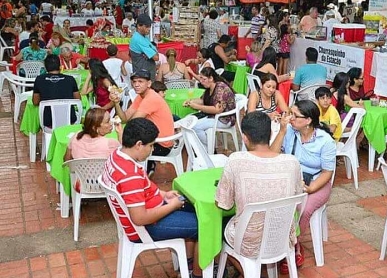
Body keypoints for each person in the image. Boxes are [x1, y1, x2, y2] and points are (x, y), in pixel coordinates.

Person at [101, 118, 203, 278]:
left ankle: (189, 261)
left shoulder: (117, 156)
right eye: (151, 145)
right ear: (139, 144)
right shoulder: (129, 175)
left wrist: (164, 194)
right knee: (206, 224)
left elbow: (144, 188)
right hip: (145, 228)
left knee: (195, 207)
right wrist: (172, 205)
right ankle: (199, 273)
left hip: (149, 212)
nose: (152, 149)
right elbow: (140, 218)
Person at [215, 111, 303, 271]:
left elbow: (223, 205)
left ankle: (244, 271)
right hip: (281, 237)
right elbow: (297, 197)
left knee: (216, 228)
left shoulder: (235, 161)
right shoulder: (292, 163)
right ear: (270, 134)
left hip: (247, 242)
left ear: (244, 137)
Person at [270, 100, 336, 273]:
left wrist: (311, 188)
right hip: (291, 179)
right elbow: (272, 155)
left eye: (294, 115)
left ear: (308, 120)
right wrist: (282, 131)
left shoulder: (325, 141)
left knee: (302, 208)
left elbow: (327, 172)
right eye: (289, 113)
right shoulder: (291, 131)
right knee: (274, 200)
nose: (290, 118)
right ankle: (277, 240)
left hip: (316, 182)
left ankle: (294, 245)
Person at [110, 69, 175, 176]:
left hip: (162, 145)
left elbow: (133, 123)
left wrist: (121, 134)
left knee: (125, 146)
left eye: (140, 82)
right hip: (155, 139)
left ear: (149, 83)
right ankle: (147, 167)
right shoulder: (141, 96)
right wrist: (116, 103)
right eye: (134, 82)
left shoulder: (151, 98)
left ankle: (131, 176)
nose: (136, 85)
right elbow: (125, 118)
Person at [184, 67, 236, 148]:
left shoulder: (220, 88)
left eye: (203, 79)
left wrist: (197, 107)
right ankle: (206, 147)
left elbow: (217, 110)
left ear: (211, 78)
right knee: (190, 121)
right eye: (200, 78)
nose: (201, 81)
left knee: (195, 127)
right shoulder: (209, 88)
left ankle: (208, 148)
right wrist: (190, 101)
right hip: (213, 116)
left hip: (225, 119)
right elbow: (202, 100)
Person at [32, 55, 81, 127]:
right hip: (69, 120)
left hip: (49, 122)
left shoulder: (39, 79)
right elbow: (78, 99)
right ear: (60, 65)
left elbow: (35, 102)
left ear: (45, 67)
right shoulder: (70, 79)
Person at [129, 13, 159, 81]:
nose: (149, 29)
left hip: (146, 76)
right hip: (143, 77)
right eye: (147, 26)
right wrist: (153, 51)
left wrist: (153, 51)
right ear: (139, 26)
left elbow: (156, 52)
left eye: (150, 26)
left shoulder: (144, 36)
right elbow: (156, 57)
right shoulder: (138, 39)